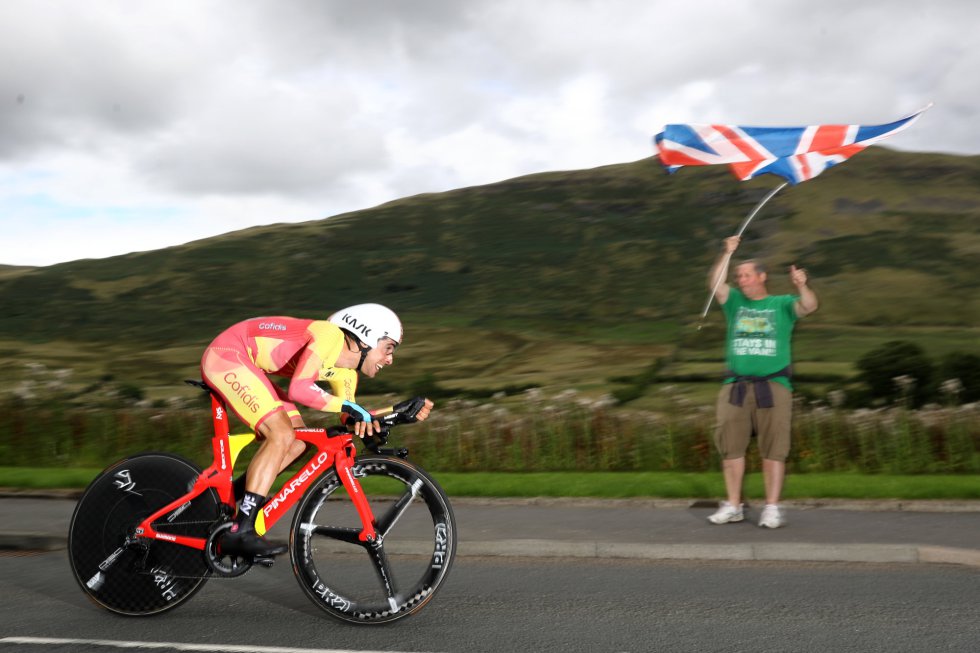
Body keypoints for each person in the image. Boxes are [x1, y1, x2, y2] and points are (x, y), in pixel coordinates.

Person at [199, 303, 433, 557]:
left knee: (298, 441)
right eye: (388, 348)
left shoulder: (346, 373)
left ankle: (233, 503)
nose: (390, 359)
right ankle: (241, 530)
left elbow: (351, 417)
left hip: (250, 365)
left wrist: (395, 413)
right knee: (281, 434)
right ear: (366, 335)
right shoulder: (329, 335)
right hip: (228, 354)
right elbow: (299, 390)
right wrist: (357, 411)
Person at [705, 236, 818, 528]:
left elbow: (809, 306)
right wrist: (726, 252)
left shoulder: (781, 304)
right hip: (736, 386)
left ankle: (771, 508)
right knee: (730, 449)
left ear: (762, 276)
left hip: (774, 386)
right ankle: (733, 506)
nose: (741, 280)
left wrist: (801, 285)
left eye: (746, 275)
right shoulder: (734, 303)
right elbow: (715, 285)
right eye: (738, 276)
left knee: (774, 449)